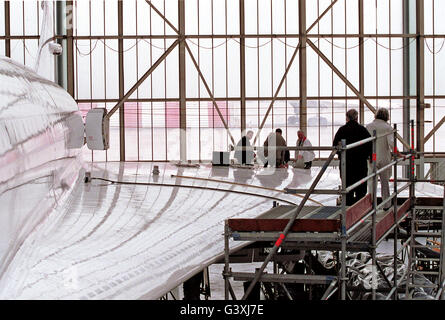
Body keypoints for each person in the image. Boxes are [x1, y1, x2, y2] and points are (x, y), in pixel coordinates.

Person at [333, 109, 372, 206]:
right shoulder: (363, 130)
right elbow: (370, 145)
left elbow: (335, 146)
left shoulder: (342, 130)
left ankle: (348, 212)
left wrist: (340, 155)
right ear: (357, 118)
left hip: (346, 164)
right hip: (360, 165)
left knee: (347, 190)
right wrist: (366, 156)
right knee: (361, 190)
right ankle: (359, 211)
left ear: (346, 118)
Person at [366, 108, 402, 210]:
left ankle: (372, 204)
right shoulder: (387, 127)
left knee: (372, 182)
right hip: (384, 157)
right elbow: (391, 143)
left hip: (372, 157)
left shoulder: (368, 126)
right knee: (384, 182)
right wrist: (398, 153)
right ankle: (386, 204)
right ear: (387, 116)